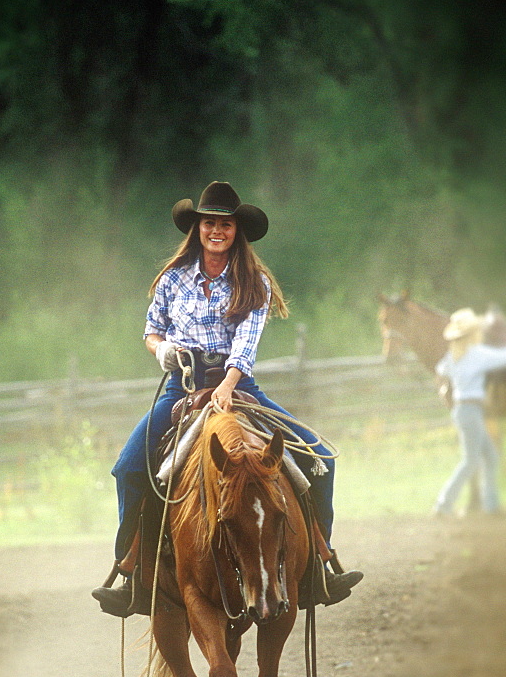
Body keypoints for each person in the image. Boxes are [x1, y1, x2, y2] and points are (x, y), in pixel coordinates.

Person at [92, 181, 363, 617]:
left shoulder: (253, 282)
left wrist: (227, 385)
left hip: (238, 385)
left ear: (237, 232)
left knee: (321, 458)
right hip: (183, 385)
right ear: (197, 228)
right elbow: (151, 330)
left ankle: (320, 565)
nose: (216, 231)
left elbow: (247, 343)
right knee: (128, 468)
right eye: (209, 223)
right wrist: (162, 350)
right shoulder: (172, 278)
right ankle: (130, 572)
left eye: (225, 225)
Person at [433, 307, 506, 516]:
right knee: (471, 461)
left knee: (491, 456)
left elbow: (440, 369)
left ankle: (491, 505)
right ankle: (443, 504)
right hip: (471, 411)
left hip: (464, 411)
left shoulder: (454, 355)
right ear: (472, 333)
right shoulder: (476, 354)